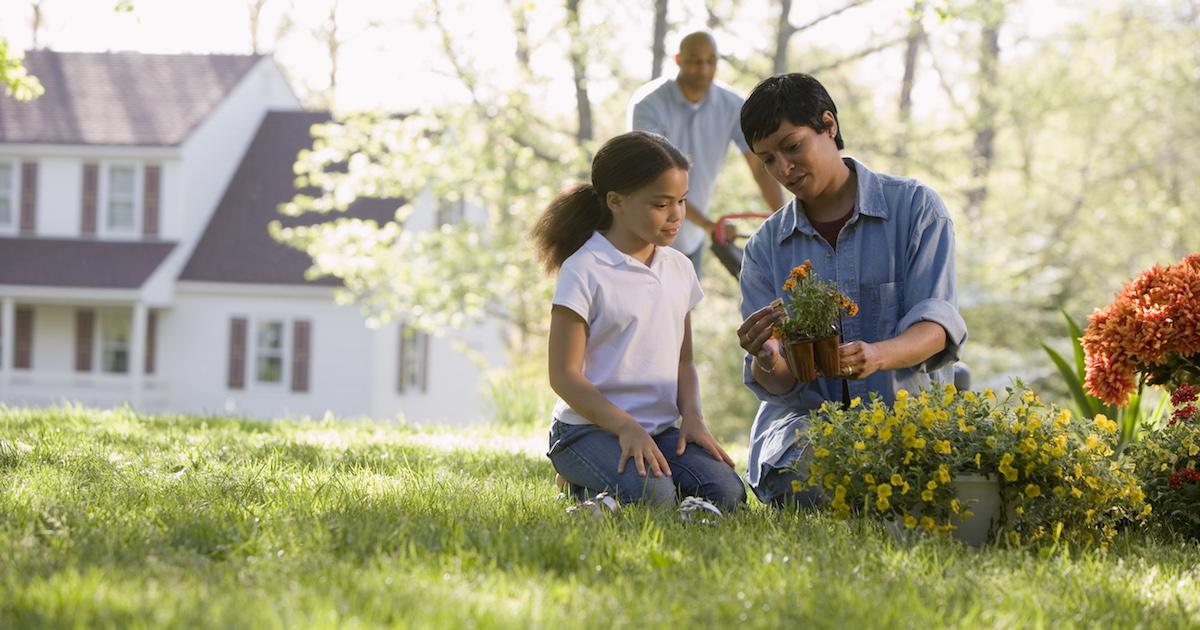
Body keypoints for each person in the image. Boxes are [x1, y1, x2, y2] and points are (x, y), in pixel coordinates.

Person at [733, 74, 968, 506]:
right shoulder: (764, 248)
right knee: (810, 469)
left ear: (829, 125)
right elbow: (781, 382)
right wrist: (767, 357)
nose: (783, 169)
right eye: (767, 160)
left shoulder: (916, 208)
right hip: (807, 425)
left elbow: (936, 326)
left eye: (792, 146)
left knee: (917, 470)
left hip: (903, 415)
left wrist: (877, 355)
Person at [532, 130, 747, 510]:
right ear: (616, 201)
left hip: (660, 431)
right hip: (586, 431)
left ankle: (610, 488)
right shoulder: (585, 269)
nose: (677, 215)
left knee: (727, 495)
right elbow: (564, 376)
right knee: (654, 498)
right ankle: (578, 481)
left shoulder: (679, 268)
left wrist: (693, 418)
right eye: (661, 204)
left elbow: (684, 361)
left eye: (681, 201)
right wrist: (626, 427)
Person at [628, 31, 784, 279]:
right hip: (645, 237)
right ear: (678, 60)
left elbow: (760, 168)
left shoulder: (733, 106)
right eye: (695, 60)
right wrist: (711, 226)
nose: (703, 68)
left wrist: (784, 218)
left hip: (691, 239)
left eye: (710, 60)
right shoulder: (649, 104)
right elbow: (656, 182)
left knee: (685, 315)